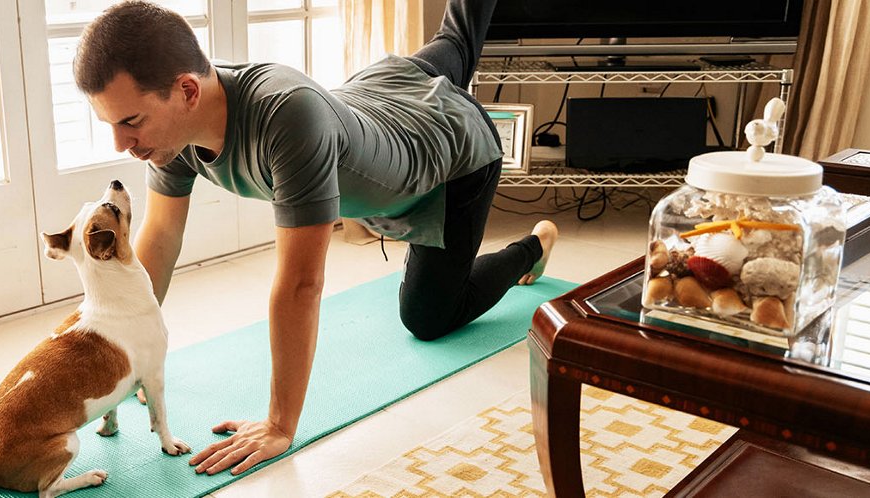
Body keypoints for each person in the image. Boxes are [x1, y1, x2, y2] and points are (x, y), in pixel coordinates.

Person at [73, 0, 558, 476]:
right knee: (455, 39)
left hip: (450, 152)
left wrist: (280, 424)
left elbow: (302, 283)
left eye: (130, 122)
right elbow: (160, 239)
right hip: (388, 85)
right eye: (111, 123)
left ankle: (532, 248)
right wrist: (124, 351)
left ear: (186, 91)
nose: (120, 144)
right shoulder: (173, 130)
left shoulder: (285, 117)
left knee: (428, 318)